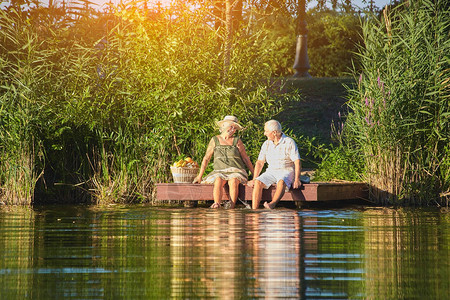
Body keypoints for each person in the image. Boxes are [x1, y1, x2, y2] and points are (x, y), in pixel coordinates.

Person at [193, 116, 254, 208]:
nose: (233, 130)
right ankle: (216, 204)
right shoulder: (215, 140)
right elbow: (206, 158)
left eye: (235, 128)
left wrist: (255, 175)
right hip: (220, 171)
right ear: (224, 126)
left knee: (233, 180)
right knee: (218, 180)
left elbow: (246, 159)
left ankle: (232, 207)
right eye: (231, 127)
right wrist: (199, 176)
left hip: (236, 170)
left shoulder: (237, 141)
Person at [247, 120, 301, 209]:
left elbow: (297, 161)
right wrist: (254, 178)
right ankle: (254, 209)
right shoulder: (266, 144)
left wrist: (297, 179)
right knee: (258, 182)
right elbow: (260, 162)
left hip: (286, 169)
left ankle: (272, 203)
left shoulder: (289, 142)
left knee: (281, 181)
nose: (264, 133)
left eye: (266, 131)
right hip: (271, 171)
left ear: (274, 133)